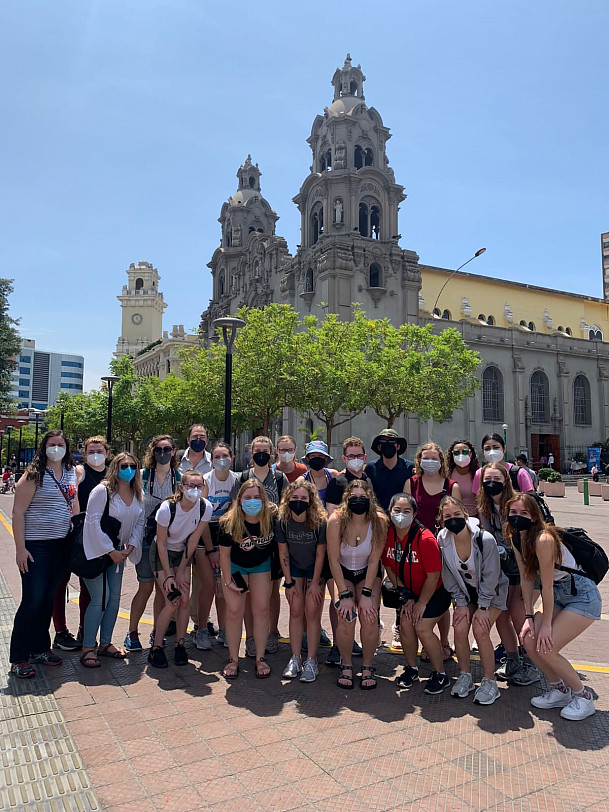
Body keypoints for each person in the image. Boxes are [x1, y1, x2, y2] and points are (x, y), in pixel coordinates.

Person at [506, 494, 601, 720]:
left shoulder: (544, 539)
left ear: (535, 516)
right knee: (529, 640)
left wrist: (546, 624)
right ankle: (558, 689)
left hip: (581, 594)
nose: (517, 518)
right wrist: (529, 616)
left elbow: (545, 587)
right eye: (513, 513)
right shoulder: (516, 537)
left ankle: (583, 696)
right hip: (559, 593)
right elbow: (526, 578)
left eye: (524, 513)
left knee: (546, 646)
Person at [10, 431, 79, 678]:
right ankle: (19, 657)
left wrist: (77, 531)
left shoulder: (71, 471)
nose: (56, 448)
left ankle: (40, 649)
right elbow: (17, 513)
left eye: (61, 444)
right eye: (52, 444)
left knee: (47, 600)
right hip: (36, 547)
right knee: (32, 601)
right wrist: (20, 548)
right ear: (44, 447)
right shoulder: (33, 474)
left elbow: (74, 503)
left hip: (60, 545)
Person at [437, 496, 508, 705]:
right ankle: (465, 675)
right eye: (447, 516)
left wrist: (483, 606)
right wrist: (459, 603)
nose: (452, 519)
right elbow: (447, 573)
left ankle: (490, 681)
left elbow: (492, 575)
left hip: (492, 593)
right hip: (466, 594)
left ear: (465, 515)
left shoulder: (484, 539)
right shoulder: (442, 539)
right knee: (459, 627)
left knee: (480, 629)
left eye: (457, 515)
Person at [477, 462, 541, 686]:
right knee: (501, 614)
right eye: (487, 480)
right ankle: (513, 659)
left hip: (527, 567)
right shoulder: (484, 506)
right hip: (502, 568)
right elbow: (486, 536)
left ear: (506, 480)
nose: (491, 484)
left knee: (520, 615)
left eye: (496, 479)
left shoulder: (517, 504)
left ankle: (532, 664)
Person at [80, 453, 145, 668]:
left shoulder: (137, 492)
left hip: (119, 552)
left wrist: (130, 546)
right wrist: (110, 552)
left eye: (132, 465)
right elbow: (92, 523)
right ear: (115, 467)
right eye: (123, 465)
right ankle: (88, 647)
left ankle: (105, 643)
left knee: (114, 599)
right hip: (97, 552)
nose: (128, 469)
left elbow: (140, 522)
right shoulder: (102, 490)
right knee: (99, 599)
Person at [382, 493, 451, 694]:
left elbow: (433, 576)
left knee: (421, 627)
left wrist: (421, 603)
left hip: (435, 592)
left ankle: (440, 674)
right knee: (405, 623)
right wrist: (406, 596)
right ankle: (411, 668)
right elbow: (389, 568)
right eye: (397, 510)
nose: (401, 515)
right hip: (410, 591)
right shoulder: (387, 535)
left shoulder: (425, 539)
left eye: (406, 511)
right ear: (390, 511)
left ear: (414, 514)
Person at [52, 435, 111, 653]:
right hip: (72, 536)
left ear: (107, 453)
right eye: (91, 451)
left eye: (100, 451)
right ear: (84, 453)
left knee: (90, 586)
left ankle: (85, 630)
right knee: (61, 582)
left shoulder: (112, 475)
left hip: (97, 539)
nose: (96, 455)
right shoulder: (78, 472)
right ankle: (60, 632)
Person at [148, 469, 213, 668]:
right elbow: (161, 544)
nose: (195, 490)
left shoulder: (205, 507)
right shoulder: (167, 509)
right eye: (190, 486)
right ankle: (156, 647)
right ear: (181, 488)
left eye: (199, 486)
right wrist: (169, 575)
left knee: (185, 598)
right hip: (163, 553)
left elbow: (193, 541)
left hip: (183, 554)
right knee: (172, 600)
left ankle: (180, 645)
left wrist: (183, 569)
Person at [326, 480, 387, 690]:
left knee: (369, 615)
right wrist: (344, 594)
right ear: (346, 499)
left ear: (370, 499)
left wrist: (367, 594)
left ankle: (368, 666)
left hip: (367, 573)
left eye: (363, 497)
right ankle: (346, 664)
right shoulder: (335, 520)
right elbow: (333, 560)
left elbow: (374, 561)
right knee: (346, 616)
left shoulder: (379, 521)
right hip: (341, 572)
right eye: (353, 497)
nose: (358, 500)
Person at [232, 436, 289, 656]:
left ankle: (272, 631)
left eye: (266, 450)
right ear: (251, 452)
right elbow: (234, 508)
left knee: (273, 589)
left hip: (270, 543)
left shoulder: (280, 478)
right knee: (246, 592)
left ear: (271, 452)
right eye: (258, 450)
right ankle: (252, 637)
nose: (261, 454)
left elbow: (285, 509)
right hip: (246, 543)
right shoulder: (243, 478)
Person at [404, 442, 460, 660]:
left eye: (434, 458)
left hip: (443, 547)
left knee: (441, 598)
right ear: (419, 461)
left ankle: (443, 642)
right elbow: (407, 512)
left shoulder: (450, 485)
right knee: (419, 592)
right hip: (417, 546)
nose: (430, 462)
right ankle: (425, 642)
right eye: (425, 458)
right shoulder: (412, 483)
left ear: (441, 462)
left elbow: (453, 516)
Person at [124, 435, 181, 651]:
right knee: (145, 586)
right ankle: (131, 631)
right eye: (159, 449)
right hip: (147, 538)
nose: (163, 453)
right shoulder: (141, 476)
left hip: (169, 541)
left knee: (161, 589)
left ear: (174, 451)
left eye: (167, 449)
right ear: (152, 451)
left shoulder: (180, 478)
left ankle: (157, 632)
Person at [218, 479, 277, 679]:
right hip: (236, 568)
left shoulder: (272, 518)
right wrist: (228, 581)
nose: (252, 501)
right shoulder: (228, 522)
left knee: (261, 609)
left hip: (261, 566)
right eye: (248, 497)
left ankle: (260, 658)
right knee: (234, 611)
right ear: (240, 499)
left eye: (256, 497)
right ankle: (233, 659)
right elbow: (224, 556)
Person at [276, 478, 328, 683]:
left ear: (311, 500)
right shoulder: (283, 521)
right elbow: (283, 552)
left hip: (315, 569)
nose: (298, 501)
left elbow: (321, 554)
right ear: (288, 499)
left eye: (303, 498)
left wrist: (315, 583)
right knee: (296, 610)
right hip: (295, 568)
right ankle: (295, 657)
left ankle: (311, 660)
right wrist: (288, 582)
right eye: (295, 497)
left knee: (312, 612)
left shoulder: (319, 522)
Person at [324, 436, 369, 662]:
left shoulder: (368, 482)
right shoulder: (338, 482)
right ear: (344, 458)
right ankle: (337, 644)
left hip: (363, 553)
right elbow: (331, 514)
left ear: (365, 457)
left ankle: (354, 643)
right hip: (340, 552)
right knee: (339, 602)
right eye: (351, 456)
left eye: (359, 455)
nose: (355, 459)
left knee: (365, 605)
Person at [198, 441, 240, 649]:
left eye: (225, 455)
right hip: (204, 535)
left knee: (224, 585)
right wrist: (210, 550)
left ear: (232, 458)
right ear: (211, 460)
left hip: (226, 535)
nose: (221, 460)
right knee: (207, 585)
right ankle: (201, 629)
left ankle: (224, 627)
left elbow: (233, 516)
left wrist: (222, 549)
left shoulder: (237, 480)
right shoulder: (206, 480)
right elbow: (202, 519)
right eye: (216, 457)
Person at [364, 429, 414, 513]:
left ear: (398, 446)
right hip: (379, 517)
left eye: (391, 442)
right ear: (379, 447)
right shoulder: (371, 468)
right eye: (383, 442)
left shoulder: (409, 467)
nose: (387, 445)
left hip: (401, 517)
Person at [445, 440, 480, 517]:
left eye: (465, 452)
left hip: (475, 518)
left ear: (471, 454)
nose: (461, 455)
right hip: (454, 518)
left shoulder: (478, 474)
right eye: (456, 453)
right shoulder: (447, 475)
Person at [302, 440, 338, 506]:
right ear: (308, 458)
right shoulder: (302, 480)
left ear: (326, 458)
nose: (317, 459)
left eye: (320, 456)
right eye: (313, 456)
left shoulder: (333, 475)